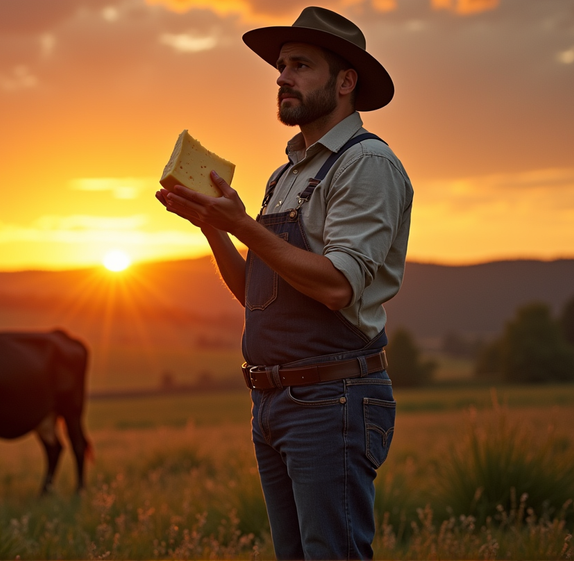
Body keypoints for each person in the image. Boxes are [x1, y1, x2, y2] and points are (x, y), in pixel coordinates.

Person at [155, 6, 413, 560]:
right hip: (274, 402)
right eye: (280, 67)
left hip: (331, 398)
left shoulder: (365, 163)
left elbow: (339, 285)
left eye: (301, 65)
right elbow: (258, 294)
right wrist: (214, 227)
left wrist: (244, 225)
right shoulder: (287, 174)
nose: (282, 78)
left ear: (345, 82)